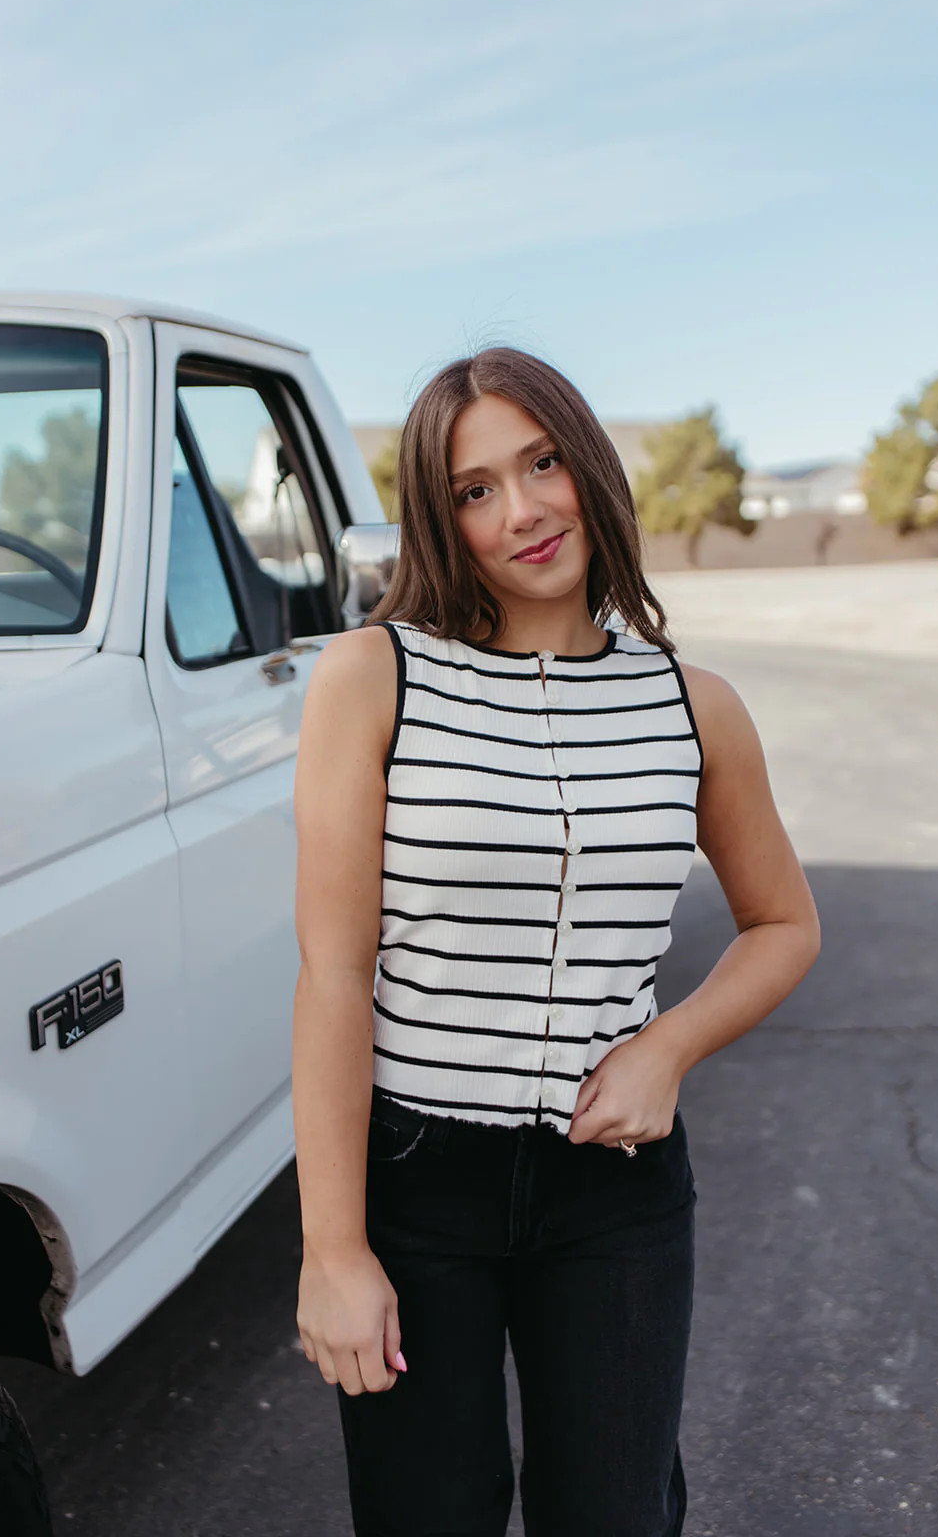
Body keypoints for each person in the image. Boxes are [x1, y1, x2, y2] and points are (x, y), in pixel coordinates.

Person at [291, 346, 821, 1537]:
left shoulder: (692, 703)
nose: (521, 510)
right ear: (441, 519)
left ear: (585, 464)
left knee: (616, 1515)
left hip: (614, 1194)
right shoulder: (374, 679)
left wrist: (667, 1047)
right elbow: (334, 974)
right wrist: (332, 1248)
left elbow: (782, 924)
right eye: (474, 489)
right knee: (425, 1514)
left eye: (538, 463)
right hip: (417, 1181)